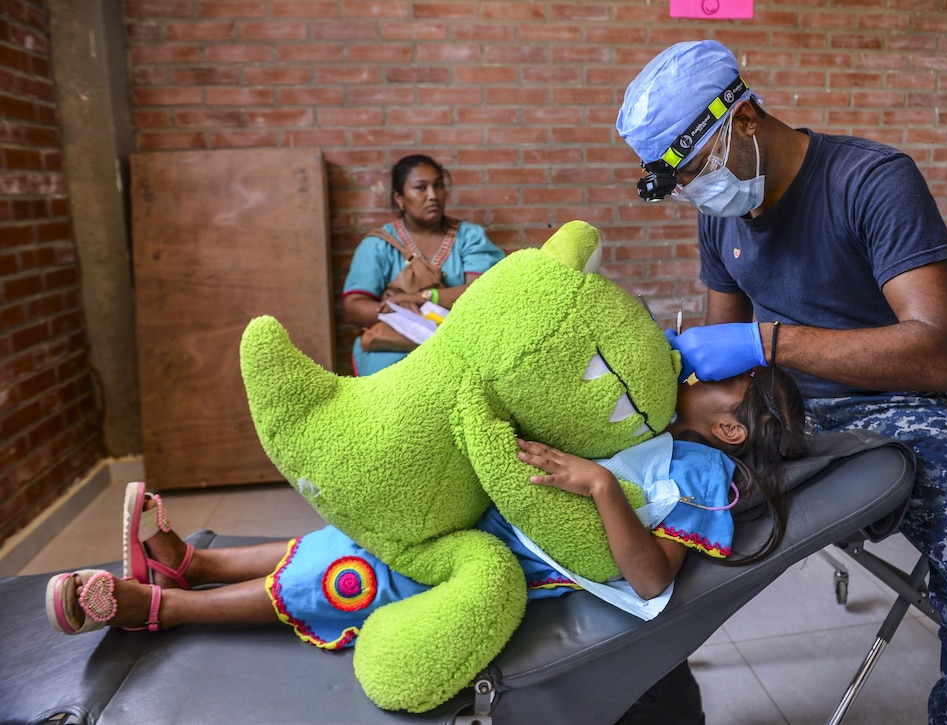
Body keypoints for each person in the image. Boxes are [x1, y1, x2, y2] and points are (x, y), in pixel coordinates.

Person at [616, 39, 947, 724]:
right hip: (772, 410)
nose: (699, 192)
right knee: (619, 498)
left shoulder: (870, 180)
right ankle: (651, 700)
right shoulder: (722, 214)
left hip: (892, 409)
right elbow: (724, 355)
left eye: (700, 169)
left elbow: (943, 354)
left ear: (741, 120)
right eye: (681, 183)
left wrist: (768, 340)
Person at [45, 367, 806, 721]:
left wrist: (599, 488)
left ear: (730, 428)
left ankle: (163, 608)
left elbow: (650, 581)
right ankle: (201, 562)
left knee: (355, 569)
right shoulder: (642, 419)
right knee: (363, 526)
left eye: (721, 380)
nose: (698, 371)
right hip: (488, 510)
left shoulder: (703, 476)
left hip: (504, 563)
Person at [342, 154, 505, 375]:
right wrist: (398, 312)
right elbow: (354, 307)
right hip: (394, 345)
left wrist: (423, 299)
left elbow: (483, 293)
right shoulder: (378, 245)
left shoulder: (469, 237)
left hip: (458, 342)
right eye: (421, 188)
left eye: (438, 186)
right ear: (399, 198)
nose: (433, 195)